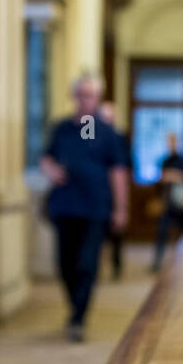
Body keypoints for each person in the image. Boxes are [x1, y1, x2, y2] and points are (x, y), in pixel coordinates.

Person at [39, 73, 129, 341]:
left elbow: (118, 171)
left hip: (96, 207)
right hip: (65, 206)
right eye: (81, 94)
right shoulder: (61, 128)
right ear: (74, 96)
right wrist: (52, 170)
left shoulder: (107, 133)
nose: (85, 100)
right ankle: (75, 306)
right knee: (64, 264)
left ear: (97, 98)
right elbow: (45, 157)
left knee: (87, 263)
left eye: (90, 95)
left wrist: (121, 208)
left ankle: (78, 318)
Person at [151, 133, 183, 272]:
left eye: (173, 141)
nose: (170, 144)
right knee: (162, 232)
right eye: (169, 141)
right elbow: (161, 180)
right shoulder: (165, 161)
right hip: (169, 204)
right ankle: (157, 261)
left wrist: (175, 176)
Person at [98, 101, 129, 281]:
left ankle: (116, 266)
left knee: (117, 232)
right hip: (98, 194)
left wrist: (122, 203)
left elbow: (123, 167)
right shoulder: (91, 137)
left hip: (114, 191)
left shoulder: (118, 138)